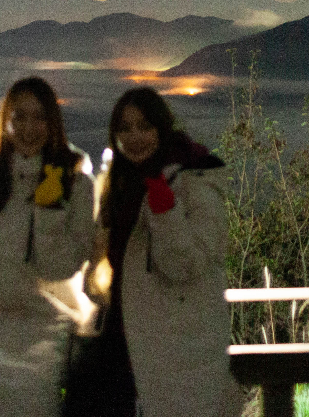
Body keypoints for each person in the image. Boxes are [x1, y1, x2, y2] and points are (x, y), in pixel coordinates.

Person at [80, 86, 242, 417]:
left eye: (144, 126)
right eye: (125, 128)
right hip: (121, 344)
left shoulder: (195, 182)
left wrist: (166, 211)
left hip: (174, 353)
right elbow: (109, 272)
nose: (134, 137)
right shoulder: (120, 184)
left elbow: (187, 265)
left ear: (161, 128)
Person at [0, 76, 96, 417]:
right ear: (5, 122)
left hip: (41, 331)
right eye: (19, 117)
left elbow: (62, 267)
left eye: (39, 117)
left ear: (53, 122)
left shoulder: (76, 186)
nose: (28, 128)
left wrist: (47, 211)